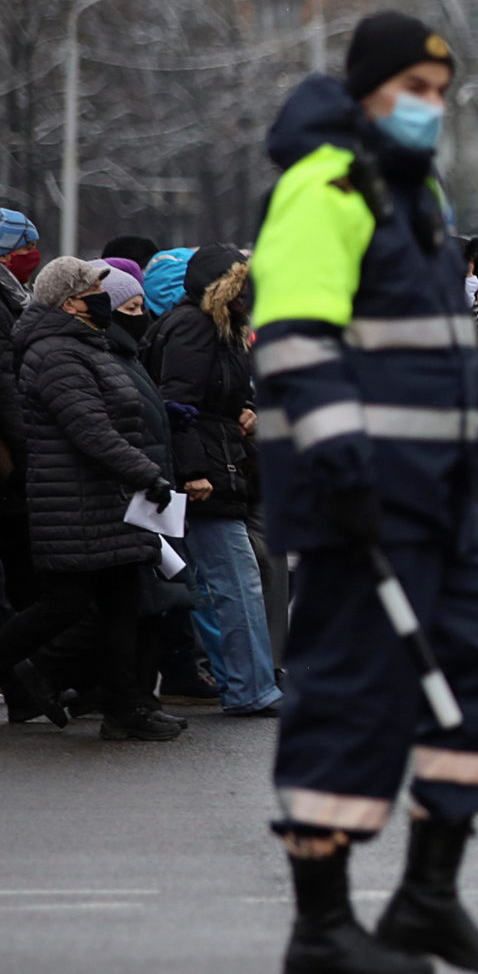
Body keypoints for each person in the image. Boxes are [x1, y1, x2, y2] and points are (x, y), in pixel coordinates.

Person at [250, 12, 478, 974]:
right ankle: (322, 923)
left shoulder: (408, 192)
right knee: (348, 695)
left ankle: (426, 890)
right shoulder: (326, 184)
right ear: (369, 87)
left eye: (439, 89)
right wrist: (341, 461)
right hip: (359, 497)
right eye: (413, 87)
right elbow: (294, 335)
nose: (430, 105)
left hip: (439, 500)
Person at [0, 256, 181, 739]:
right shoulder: (57, 353)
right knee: (68, 603)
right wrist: (148, 474)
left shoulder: (83, 345)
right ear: (69, 302)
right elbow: (90, 430)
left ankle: (126, 709)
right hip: (77, 499)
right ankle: (117, 706)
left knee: (116, 602)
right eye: (92, 292)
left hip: (100, 496)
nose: (103, 301)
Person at [148, 245, 283, 717]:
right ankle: (252, 688)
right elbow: (176, 404)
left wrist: (240, 412)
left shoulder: (213, 326)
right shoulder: (196, 326)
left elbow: (202, 399)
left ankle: (244, 683)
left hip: (213, 463)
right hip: (205, 471)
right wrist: (194, 471)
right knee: (236, 582)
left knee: (216, 585)